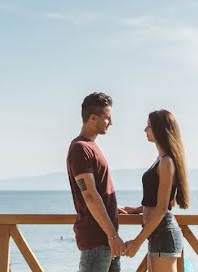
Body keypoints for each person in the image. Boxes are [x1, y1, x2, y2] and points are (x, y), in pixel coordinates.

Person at [121, 110, 190, 271]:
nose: (145, 130)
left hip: (163, 234)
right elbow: (157, 199)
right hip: (158, 234)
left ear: (160, 129)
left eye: (149, 127)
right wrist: (137, 210)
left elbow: (162, 208)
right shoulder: (160, 160)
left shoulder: (166, 162)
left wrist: (137, 242)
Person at [67, 92, 124, 272]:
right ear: (92, 118)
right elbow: (90, 195)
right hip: (98, 240)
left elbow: (97, 192)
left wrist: (114, 208)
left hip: (106, 240)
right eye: (107, 118)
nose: (111, 123)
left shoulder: (91, 147)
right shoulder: (80, 149)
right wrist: (113, 236)